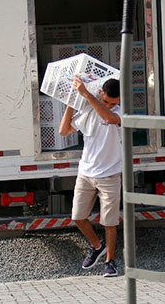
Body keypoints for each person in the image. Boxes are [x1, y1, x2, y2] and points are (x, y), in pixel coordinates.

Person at [59, 76, 122, 278]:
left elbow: (110, 119)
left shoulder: (120, 112)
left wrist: (86, 95)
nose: (110, 106)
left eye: (114, 103)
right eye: (106, 101)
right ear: (101, 93)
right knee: (78, 217)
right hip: (86, 172)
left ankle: (110, 262)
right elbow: (63, 130)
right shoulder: (88, 109)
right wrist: (71, 103)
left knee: (109, 222)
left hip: (110, 174)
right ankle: (97, 246)